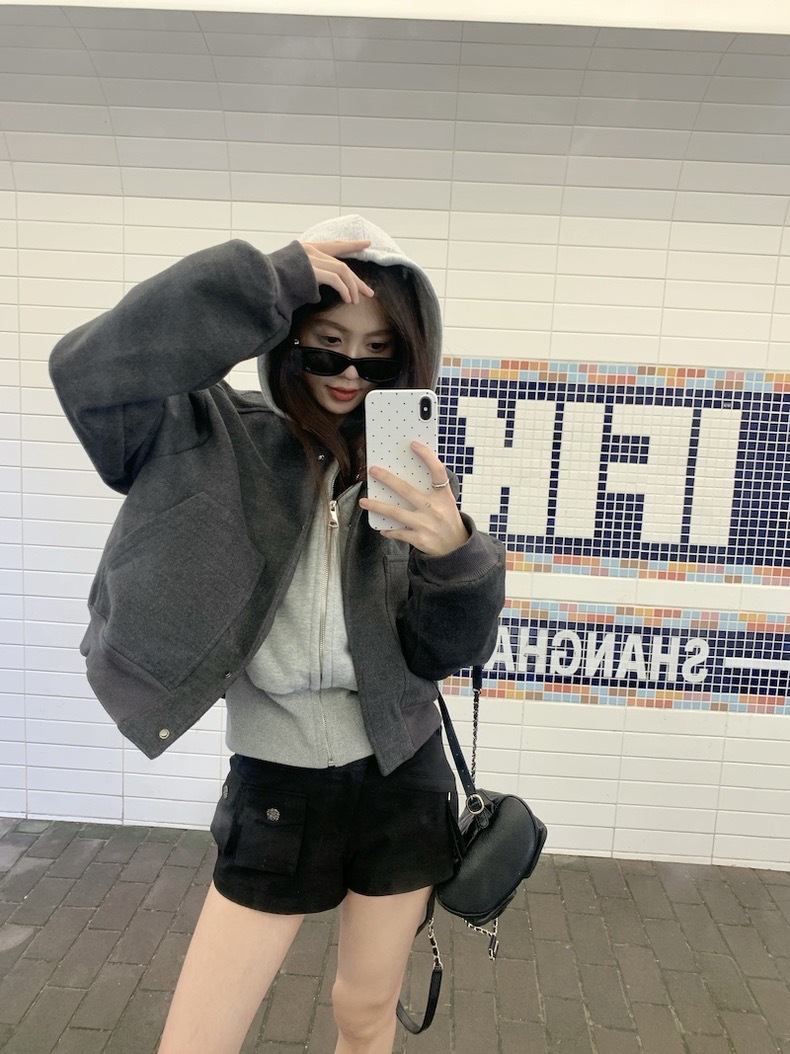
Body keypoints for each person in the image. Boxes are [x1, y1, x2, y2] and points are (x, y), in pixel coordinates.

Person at [49, 214, 505, 1054]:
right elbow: (89, 370)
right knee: (197, 1039)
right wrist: (269, 276)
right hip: (277, 788)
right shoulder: (208, 435)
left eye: (378, 356)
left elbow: (451, 652)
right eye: (327, 346)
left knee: (364, 1014)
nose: (350, 373)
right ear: (286, 337)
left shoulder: (403, 471)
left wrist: (458, 558)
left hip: (403, 778)